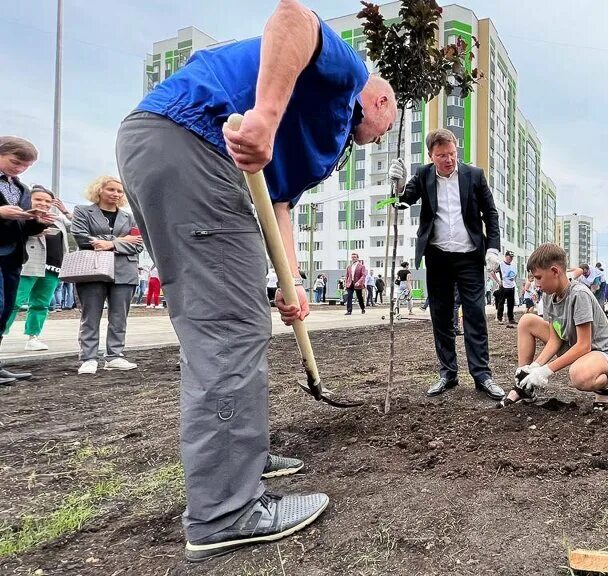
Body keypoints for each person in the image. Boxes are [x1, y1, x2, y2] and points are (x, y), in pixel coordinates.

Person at [116, 0, 398, 562]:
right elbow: (293, 14)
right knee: (227, 330)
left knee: (230, 319)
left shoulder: (318, 133)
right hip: (197, 139)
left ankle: (240, 452)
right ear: (381, 100)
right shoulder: (344, 74)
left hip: (174, 150)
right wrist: (265, 116)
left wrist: (289, 281)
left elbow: (280, 201)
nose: (373, 141)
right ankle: (227, 510)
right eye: (382, 130)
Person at [389, 128, 505, 401]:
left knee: (475, 314)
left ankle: (482, 375)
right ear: (431, 155)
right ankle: (447, 374)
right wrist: (397, 185)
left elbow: (490, 213)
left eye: (452, 154)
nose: (449, 160)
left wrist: (493, 249)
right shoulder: (424, 174)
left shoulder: (474, 176)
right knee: (440, 316)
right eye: (442, 155)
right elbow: (402, 201)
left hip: (469, 256)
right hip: (438, 256)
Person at [499, 243, 608, 409]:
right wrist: (534, 367)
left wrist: (546, 370)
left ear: (555, 272)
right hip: (572, 344)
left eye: (539, 277)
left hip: (599, 352)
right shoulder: (550, 295)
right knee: (527, 321)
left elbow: (584, 346)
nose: (536, 284)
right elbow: (555, 340)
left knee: (579, 375)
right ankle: (523, 386)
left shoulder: (579, 295)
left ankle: (604, 386)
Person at [71, 176, 145, 374]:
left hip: (125, 272)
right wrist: (123, 240)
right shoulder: (82, 211)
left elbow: (138, 244)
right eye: (111, 189)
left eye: (120, 191)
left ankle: (115, 355)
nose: (116, 194)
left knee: (119, 317)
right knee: (90, 315)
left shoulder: (130, 217)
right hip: (92, 270)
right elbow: (81, 237)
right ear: (99, 190)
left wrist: (111, 244)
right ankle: (88, 357)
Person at [0, 137, 57, 384]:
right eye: (16, 162)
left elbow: (22, 226)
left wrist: (37, 222)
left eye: (26, 166)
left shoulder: (21, 189)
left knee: (4, 309)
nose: (20, 169)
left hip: (12, 255)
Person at [3, 186, 71, 351]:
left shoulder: (57, 219)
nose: (43, 203)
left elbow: (77, 227)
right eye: (39, 199)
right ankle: (2, 333)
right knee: (14, 302)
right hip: (28, 265)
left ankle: (33, 336)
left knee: (41, 303)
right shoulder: (21, 216)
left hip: (53, 267)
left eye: (48, 201)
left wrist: (65, 211)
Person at [491, 250, 516, 326]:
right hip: (504, 286)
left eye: (512, 257)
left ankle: (511, 318)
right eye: (509, 257)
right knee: (501, 303)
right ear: (506, 256)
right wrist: (498, 281)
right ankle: (500, 318)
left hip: (511, 286)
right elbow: (492, 272)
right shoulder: (501, 264)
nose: (511, 258)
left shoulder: (512, 265)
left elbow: (514, 274)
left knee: (511, 304)